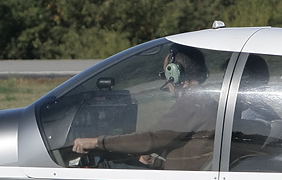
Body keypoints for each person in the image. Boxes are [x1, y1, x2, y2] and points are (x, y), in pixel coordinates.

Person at [72, 46, 219, 170]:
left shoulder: (191, 102)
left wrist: (97, 142)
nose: (165, 80)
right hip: (183, 177)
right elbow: (186, 151)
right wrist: (155, 161)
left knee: (106, 166)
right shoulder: (204, 101)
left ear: (174, 73)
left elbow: (151, 139)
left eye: (165, 74)